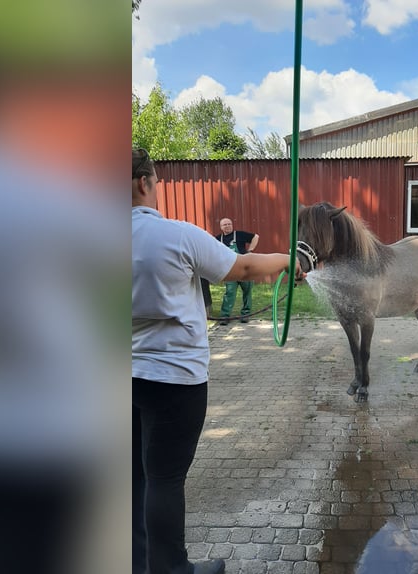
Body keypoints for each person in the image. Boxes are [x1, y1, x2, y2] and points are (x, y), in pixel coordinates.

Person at [132, 148, 302, 574]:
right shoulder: (176, 235)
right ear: (142, 183)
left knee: (131, 478)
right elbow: (242, 269)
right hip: (175, 380)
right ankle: (170, 569)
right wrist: (291, 260)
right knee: (164, 479)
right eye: (156, 180)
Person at [216, 218, 259, 325]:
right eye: (225, 225)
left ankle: (245, 314)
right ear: (221, 227)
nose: (227, 226)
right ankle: (225, 316)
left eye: (229, 224)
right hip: (229, 270)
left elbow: (256, 237)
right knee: (229, 293)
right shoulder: (217, 239)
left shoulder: (239, 235)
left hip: (244, 269)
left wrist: (250, 250)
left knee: (247, 292)